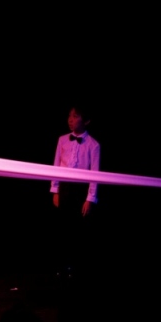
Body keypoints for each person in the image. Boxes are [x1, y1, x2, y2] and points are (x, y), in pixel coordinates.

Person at [49, 104, 100, 279]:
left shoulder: (93, 144)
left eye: (75, 116)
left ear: (86, 120)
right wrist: (55, 189)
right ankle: (62, 265)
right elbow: (56, 165)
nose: (70, 120)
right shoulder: (62, 139)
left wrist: (90, 198)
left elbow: (95, 173)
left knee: (78, 229)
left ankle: (77, 267)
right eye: (69, 116)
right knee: (62, 228)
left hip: (80, 190)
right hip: (64, 188)